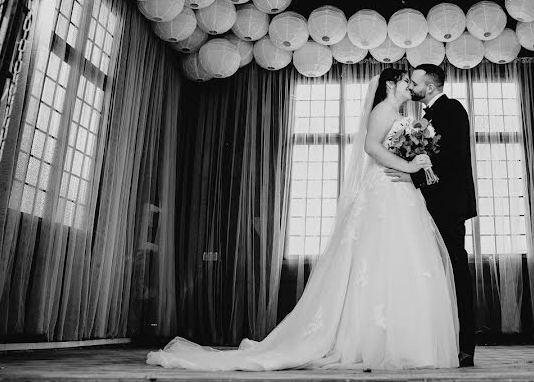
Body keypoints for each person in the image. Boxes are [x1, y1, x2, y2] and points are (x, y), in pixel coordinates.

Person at [146, 68, 459, 371]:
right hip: (383, 190)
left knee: (401, 259)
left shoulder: (404, 116)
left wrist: (415, 164)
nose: (410, 86)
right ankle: (369, 342)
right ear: (391, 84)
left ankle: (407, 342)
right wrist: (410, 167)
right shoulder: (382, 110)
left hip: (400, 192)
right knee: (374, 260)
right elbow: (371, 147)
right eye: (406, 81)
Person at [384, 63, 477, 367]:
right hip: (431, 204)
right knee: (436, 275)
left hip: (449, 206)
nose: (410, 87)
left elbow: (453, 157)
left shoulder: (451, 110)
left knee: (456, 271)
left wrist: (414, 178)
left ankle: (465, 347)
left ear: (431, 87)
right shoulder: (425, 118)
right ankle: (442, 342)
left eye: (415, 83)